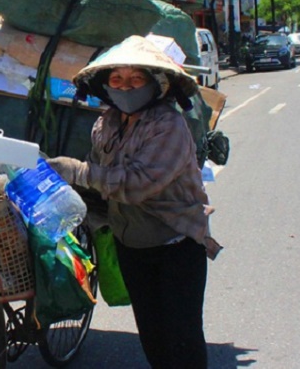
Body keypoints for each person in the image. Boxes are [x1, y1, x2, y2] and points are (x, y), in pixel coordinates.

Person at [47, 36, 222, 368]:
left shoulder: (169, 125)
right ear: (106, 86)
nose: (125, 87)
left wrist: (77, 171)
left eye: (135, 79)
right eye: (117, 79)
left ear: (155, 85)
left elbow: (138, 184)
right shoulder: (106, 123)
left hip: (176, 242)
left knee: (181, 338)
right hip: (131, 244)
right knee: (152, 335)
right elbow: (99, 178)